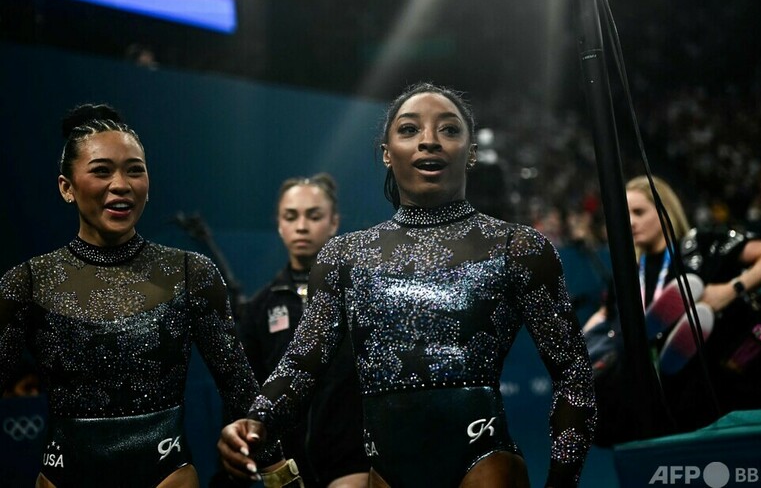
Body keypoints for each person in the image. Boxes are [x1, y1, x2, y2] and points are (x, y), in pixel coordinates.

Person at [218, 82, 596, 488]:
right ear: (387, 152)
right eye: (410, 129)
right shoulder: (344, 257)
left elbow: (574, 374)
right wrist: (255, 422)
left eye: (449, 129)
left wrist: (562, 481)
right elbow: (300, 366)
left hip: (485, 468)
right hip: (386, 475)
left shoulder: (517, 248)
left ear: (471, 153)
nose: (429, 140)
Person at [0, 104, 278, 487]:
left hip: (168, 477)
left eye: (134, 170)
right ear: (66, 187)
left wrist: (277, 471)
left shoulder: (190, 273)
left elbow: (241, 389)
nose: (121, 184)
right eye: (101, 171)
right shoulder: (28, 282)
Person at [584, 175, 761, 443]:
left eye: (639, 212)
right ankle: (652, 345)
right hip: (653, 393)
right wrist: (584, 340)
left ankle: (669, 343)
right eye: (625, 215)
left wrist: (729, 290)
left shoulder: (701, 244)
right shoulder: (626, 273)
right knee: (611, 362)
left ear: (664, 210)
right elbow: (606, 313)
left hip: (710, 380)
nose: (630, 222)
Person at [237, 174, 368, 488]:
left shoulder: (362, 296)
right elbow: (247, 395)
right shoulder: (259, 309)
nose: (301, 227)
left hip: (353, 460)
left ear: (334, 222)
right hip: (285, 465)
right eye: (291, 216)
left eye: (314, 216)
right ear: (279, 224)